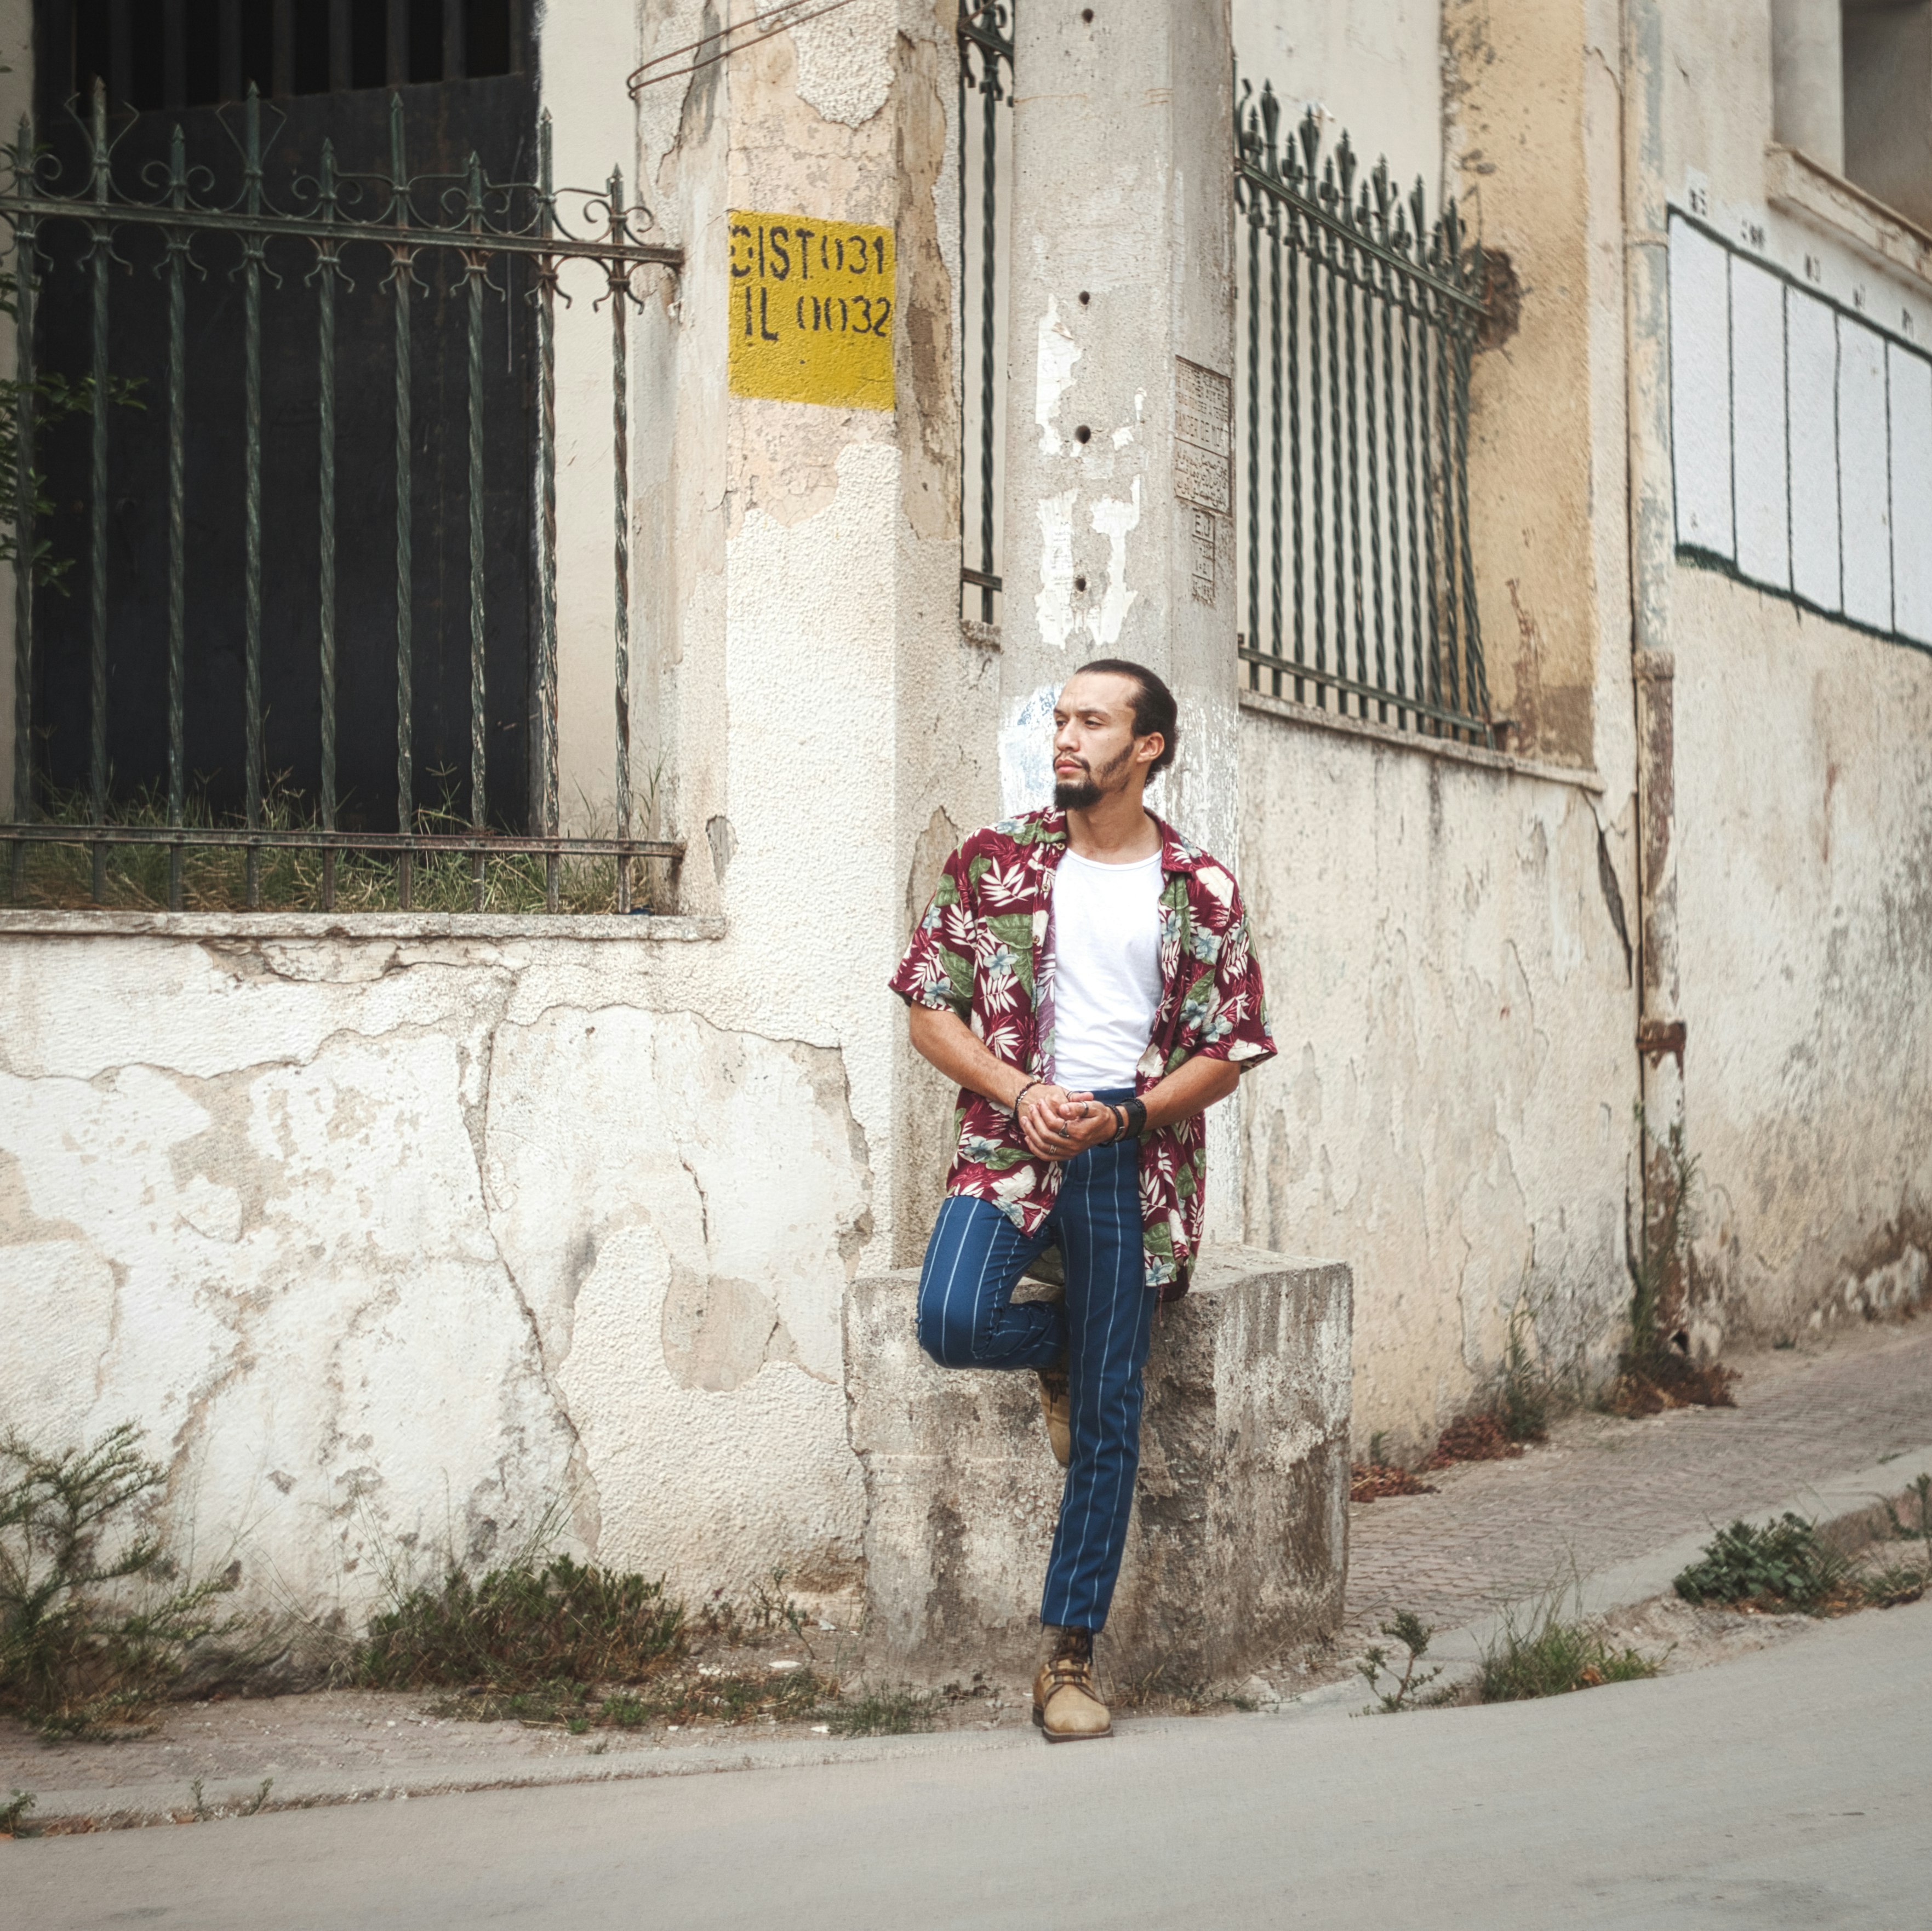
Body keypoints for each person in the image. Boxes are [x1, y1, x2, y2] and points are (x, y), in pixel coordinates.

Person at [888, 658, 1275, 1742]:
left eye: (1091, 721)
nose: (1066, 737)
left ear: (1145, 747)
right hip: (1010, 1138)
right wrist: (1018, 1090)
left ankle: (1067, 1653)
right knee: (952, 1318)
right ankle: (1056, 1344)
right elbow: (927, 1007)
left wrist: (1124, 1115)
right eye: (1059, 718)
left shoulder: (1202, 891)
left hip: (1127, 1156)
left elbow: (1228, 1049)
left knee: (1109, 1416)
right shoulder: (992, 862)